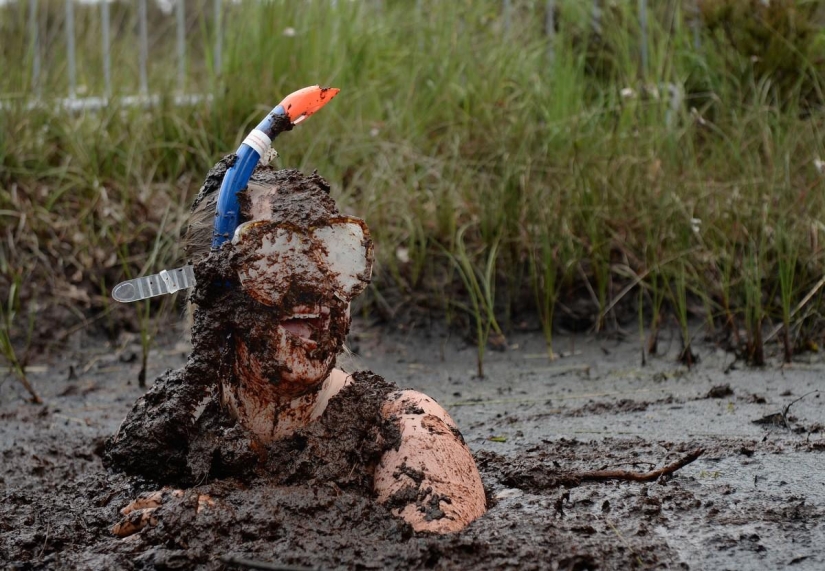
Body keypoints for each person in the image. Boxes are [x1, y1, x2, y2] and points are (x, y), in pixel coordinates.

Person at [106, 161, 487, 536]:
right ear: (213, 286)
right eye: (276, 258)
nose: (316, 286)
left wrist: (227, 522)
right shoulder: (167, 424)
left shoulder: (406, 427)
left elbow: (436, 554)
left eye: (334, 254)